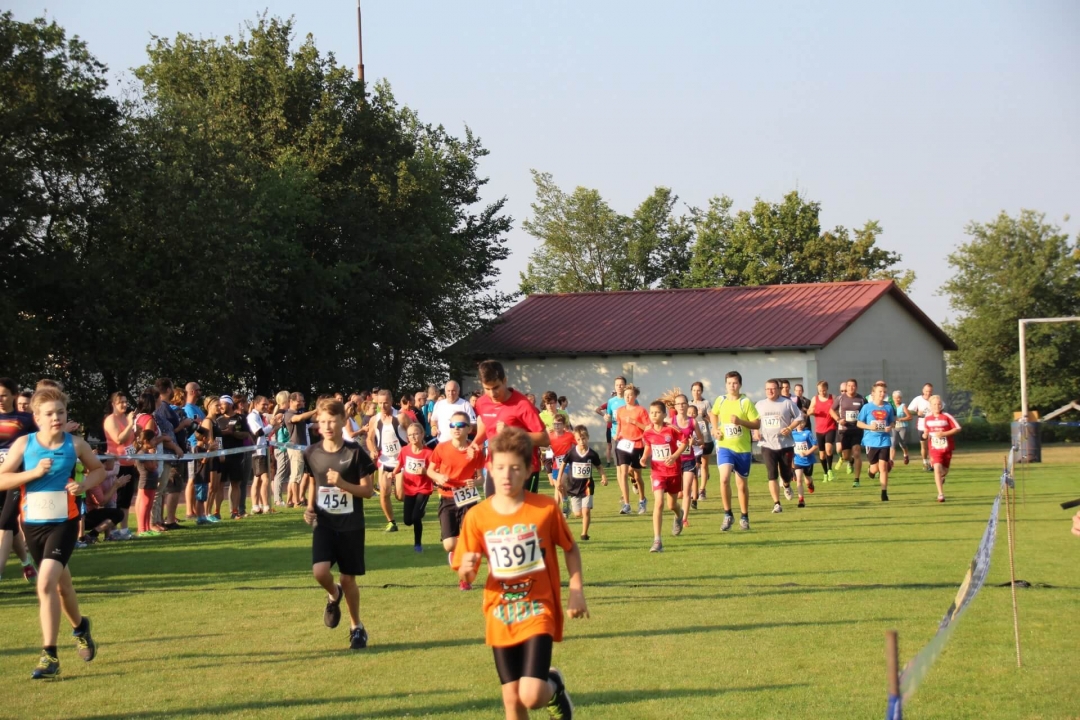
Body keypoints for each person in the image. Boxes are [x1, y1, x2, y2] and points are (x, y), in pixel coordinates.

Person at [453, 427, 584, 720]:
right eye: (500, 467)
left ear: (527, 471)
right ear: (489, 468)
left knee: (531, 694)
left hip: (538, 609)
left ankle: (553, 686)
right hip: (500, 614)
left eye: (515, 468)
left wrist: (576, 590)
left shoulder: (544, 509)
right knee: (512, 700)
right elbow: (466, 573)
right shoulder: (477, 516)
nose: (506, 475)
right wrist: (467, 569)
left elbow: (570, 548)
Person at [0, 386, 104, 679]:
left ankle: (49, 656)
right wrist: (33, 473)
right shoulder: (24, 444)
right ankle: (81, 627)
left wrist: (83, 485)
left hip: (64, 522)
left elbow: (98, 470)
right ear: (37, 417)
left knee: (45, 583)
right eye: (49, 414)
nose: (57, 418)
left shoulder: (76, 444)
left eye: (61, 412)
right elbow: (2, 479)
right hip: (33, 525)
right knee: (62, 586)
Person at [302, 398, 376, 651]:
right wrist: (309, 507)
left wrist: (343, 483)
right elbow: (313, 481)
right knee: (320, 572)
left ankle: (356, 627)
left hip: (351, 525)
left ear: (343, 421)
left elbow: (368, 491)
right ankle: (334, 594)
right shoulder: (311, 452)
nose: (327, 426)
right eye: (322, 421)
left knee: (348, 579)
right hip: (325, 523)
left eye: (332, 421)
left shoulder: (354, 453)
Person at [470, 361, 549, 495]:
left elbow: (545, 439)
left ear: (505, 381)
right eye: (487, 389)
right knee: (492, 507)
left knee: (520, 509)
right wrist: (475, 442)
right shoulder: (481, 402)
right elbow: (486, 424)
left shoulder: (522, 404)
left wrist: (512, 433)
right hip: (495, 466)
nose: (492, 393)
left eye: (496, 387)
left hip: (522, 468)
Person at [427, 411, 486, 589]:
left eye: (460, 425)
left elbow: (481, 477)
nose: (456, 428)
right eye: (453, 425)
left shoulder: (475, 450)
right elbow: (430, 470)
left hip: (468, 499)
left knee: (469, 539)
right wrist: (438, 477)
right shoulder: (442, 448)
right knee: (449, 544)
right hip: (447, 498)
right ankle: (458, 552)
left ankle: (464, 580)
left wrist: (475, 482)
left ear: (469, 429)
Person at [710, 371, 760, 531]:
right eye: (729, 383)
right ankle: (727, 514)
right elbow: (713, 414)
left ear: (740, 385)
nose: (732, 386)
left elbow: (757, 423)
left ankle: (744, 516)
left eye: (735, 383)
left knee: (741, 485)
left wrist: (741, 422)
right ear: (726, 385)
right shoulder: (720, 400)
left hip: (743, 449)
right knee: (724, 479)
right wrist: (715, 429)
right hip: (725, 446)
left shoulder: (745, 402)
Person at [0, 377, 39, 581]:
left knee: (5, 522)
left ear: (14, 395)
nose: (0, 399)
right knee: (10, 526)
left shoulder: (26, 419)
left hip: (17, 478)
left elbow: (40, 443)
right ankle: (26, 563)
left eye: (4, 395)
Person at [641, 401, 688, 553]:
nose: (653, 415)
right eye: (651, 412)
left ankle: (679, 514)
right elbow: (648, 445)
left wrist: (674, 456)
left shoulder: (671, 429)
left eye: (657, 412)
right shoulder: (648, 431)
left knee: (671, 505)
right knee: (659, 502)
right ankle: (657, 540)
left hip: (673, 471)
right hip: (657, 472)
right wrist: (644, 457)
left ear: (663, 414)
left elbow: (685, 442)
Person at [756, 379, 803, 514]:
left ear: (778, 389)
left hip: (785, 444)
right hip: (767, 444)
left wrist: (789, 428)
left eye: (773, 388)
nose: (770, 391)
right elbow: (755, 420)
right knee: (772, 474)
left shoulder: (787, 403)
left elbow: (799, 417)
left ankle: (787, 485)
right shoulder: (760, 405)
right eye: (767, 389)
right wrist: (756, 431)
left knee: (785, 474)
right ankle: (777, 504)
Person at [366, 389, 410, 533]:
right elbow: (369, 439)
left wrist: (413, 450)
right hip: (384, 460)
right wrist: (372, 450)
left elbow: (415, 432)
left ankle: (415, 502)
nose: (383, 406)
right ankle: (391, 522)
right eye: (380, 403)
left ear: (391, 401)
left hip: (401, 461)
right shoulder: (374, 419)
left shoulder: (401, 417)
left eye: (385, 403)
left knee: (400, 496)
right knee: (384, 492)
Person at [393, 423, 434, 552]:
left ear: (422, 434)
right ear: (407, 437)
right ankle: (420, 511)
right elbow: (400, 465)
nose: (413, 437)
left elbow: (435, 471)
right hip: (409, 488)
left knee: (416, 518)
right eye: (410, 435)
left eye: (416, 433)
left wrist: (425, 471)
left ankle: (417, 544)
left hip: (424, 488)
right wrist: (392, 474)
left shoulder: (429, 453)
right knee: (407, 521)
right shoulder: (405, 450)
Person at [101, 392, 137, 540]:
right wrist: (130, 424)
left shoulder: (126, 418)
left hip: (129, 463)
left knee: (127, 499)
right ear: (113, 404)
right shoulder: (111, 420)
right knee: (117, 499)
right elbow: (119, 439)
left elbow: (130, 441)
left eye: (125, 401)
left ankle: (124, 530)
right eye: (121, 402)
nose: (124, 404)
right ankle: (113, 531)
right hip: (116, 465)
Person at [561, 425, 606, 540]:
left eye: (584, 439)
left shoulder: (592, 454)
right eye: (579, 439)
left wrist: (603, 477)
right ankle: (571, 508)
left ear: (588, 438)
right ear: (575, 440)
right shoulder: (571, 452)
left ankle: (584, 534)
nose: (581, 442)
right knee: (578, 514)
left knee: (586, 511)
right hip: (574, 487)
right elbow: (563, 464)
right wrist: (559, 480)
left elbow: (599, 467)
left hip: (587, 487)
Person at [857, 381, 896, 502]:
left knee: (883, 466)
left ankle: (884, 493)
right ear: (873, 393)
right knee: (875, 468)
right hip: (871, 441)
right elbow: (859, 423)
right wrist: (870, 427)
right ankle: (870, 470)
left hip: (884, 440)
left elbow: (892, 421)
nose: (882, 394)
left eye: (884, 392)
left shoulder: (888, 407)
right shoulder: (867, 407)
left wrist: (890, 426)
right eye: (880, 391)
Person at [613, 384, 649, 515]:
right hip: (623, 444)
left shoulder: (641, 410)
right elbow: (619, 424)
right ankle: (626, 504)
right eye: (626, 395)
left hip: (637, 445)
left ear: (635, 396)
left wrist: (635, 422)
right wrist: (617, 434)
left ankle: (642, 500)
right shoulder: (620, 410)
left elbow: (647, 428)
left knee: (637, 475)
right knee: (623, 472)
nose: (627, 397)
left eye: (630, 395)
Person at [215, 396, 252, 520]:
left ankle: (235, 511)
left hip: (237, 456)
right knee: (219, 484)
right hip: (222, 457)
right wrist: (220, 452)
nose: (220, 406)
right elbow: (216, 437)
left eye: (223, 404)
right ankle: (216, 512)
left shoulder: (240, 418)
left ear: (230, 405)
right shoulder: (218, 419)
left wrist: (234, 433)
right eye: (219, 404)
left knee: (235, 483)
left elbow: (246, 434)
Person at [923, 395, 961, 503]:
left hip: (946, 448)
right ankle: (940, 494)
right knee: (937, 468)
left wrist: (944, 433)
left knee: (944, 470)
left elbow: (958, 428)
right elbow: (926, 431)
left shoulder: (946, 416)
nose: (937, 406)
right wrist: (925, 435)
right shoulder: (927, 418)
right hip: (934, 448)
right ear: (930, 406)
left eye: (939, 404)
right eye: (934, 404)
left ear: (942, 405)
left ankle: (942, 476)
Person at [672, 395, 702, 526]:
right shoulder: (670, 421)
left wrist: (695, 442)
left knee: (687, 488)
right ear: (675, 406)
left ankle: (684, 519)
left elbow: (702, 440)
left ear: (687, 405)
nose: (681, 406)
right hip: (675, 460)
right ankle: (678, 513)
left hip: (689, 459)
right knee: (674, 493)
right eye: (678, 404)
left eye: (683, 403)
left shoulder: (693, 422)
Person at [284, 393, 317, 507]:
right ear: (291, 401)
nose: (302, 403)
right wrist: (315, 410)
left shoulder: (301, 413)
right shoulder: (288, 414)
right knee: (296, 475)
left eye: (303, 401)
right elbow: (298, 419)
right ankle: (296, 501)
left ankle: (290, 501)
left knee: (296, 475)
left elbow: (315, 420)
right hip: (295, 448)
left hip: (302, 447)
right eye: (299, 401)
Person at [246, 396, 278, 514]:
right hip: (258, 452)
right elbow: (258, 432)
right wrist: (271, 425)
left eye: (267, 404)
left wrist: (274, 426)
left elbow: (265, 433)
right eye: (263, 404)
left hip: (263, 450)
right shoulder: (253, 416)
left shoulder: (259, 416)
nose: (266, 406)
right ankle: (265, 506)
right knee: (265, 479)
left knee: (258, 479)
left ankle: (256, 506)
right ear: (256, 404)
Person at [832, 380, 865, 487]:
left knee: (857, 452)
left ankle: (857, 480)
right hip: (845, 430)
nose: (851, 388)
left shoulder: (861, 399)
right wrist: (838, 419)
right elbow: (831, 410)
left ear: (856, 387)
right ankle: (850, 461)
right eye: (849, 386)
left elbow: (867, 411)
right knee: (845, 456)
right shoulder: (840, 398)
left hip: (857, 429)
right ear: (846, 387)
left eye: (853, 386)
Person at [180, 382, 206, 520]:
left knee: (197, 478)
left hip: (200, 445)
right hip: (192, 445)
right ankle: (189, 510)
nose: (201, 392)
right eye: (199, 390)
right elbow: (194, 426)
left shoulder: (197, 408)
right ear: (193, 391)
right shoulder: (187, 408)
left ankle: (196, 509)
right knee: (192, 478)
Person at [594, 376, 627, 468]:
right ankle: (610, 463)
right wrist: (606, 417)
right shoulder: (611, 402)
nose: (619, 387)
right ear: (614, 386)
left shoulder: (630, 399)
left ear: (625, 386)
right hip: (615, 435)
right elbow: (608, 416)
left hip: (628, 435)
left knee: (629, 466)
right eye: (617, 385)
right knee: (618, 465)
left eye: (621, 384)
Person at [808, 381, 838, 482]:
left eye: (824, 390)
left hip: (830, 427)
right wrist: (812, 412)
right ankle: (825, 473)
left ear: (827, 389)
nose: (822, 392)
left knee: (828, 449)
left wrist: (836, 416)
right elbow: (809, 411)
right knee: (822, 454)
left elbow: (838, 410)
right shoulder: (815, 399)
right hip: (819, 429)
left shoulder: (833, 397)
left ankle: (830, 470)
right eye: (820, 391)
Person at [200, 396, 224, 521]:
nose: (220, 407)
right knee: (211, 487)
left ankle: (210, 512)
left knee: (215, 487)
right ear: (209, 406)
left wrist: (221, 452)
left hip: (217, 455)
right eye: (217, 405)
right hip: (210, 456)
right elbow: (209, 441)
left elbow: (218, 440)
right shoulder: (208, 421)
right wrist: (215, 452)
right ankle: (206, 513)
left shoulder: (216, 421)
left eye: (220, 405)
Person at [689, 381, 713, 499]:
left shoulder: (706, 403)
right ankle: (693, 490)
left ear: (702, 391)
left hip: (706, 438)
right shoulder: (688, 404)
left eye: (698, 390)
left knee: (704, 465)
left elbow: (712, 420)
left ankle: (702, 490)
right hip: (693, 440)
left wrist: (703, 415)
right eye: (694, 390)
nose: (696, 393)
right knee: (694, 466)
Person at [907, 383, 936, 472]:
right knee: (924, 446)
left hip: (933, 426)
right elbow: (909, 410)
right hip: (922, 426)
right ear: (923, 391)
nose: (928, 393)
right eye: (926, 391)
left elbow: (942, 408)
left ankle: (933, 463)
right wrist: (917, 413)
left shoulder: (934, 399)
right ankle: (925, 462)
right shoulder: (918, 399)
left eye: (930, 391)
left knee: (933, 445)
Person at [791, 417, 817, 508]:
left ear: (805, 423)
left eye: (802, 423)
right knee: (799, 480)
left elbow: (815, 445)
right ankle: (801, 499)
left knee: (807, 478)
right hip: (797, 460)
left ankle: (810, 484)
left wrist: (807, 452)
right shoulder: (792, 434)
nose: (800, 425)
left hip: (808, 460)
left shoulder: (808, 433)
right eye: (798, 423)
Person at [271, 390, 291, 506]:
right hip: (282, 447)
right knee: (280, 473)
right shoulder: (280, 413)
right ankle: (277, 499)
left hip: (285, 446)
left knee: (284, 473)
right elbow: (273, 426)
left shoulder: (284, 412)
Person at [889, 390, 913, 466]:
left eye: (898, 398)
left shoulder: (903, 406)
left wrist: (901, 419)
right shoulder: (890, 406)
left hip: (902, 427)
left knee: (902, 444)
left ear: (901, 398)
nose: (897, 399)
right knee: (892, 443)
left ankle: (905, 454)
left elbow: (910, 417)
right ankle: (891, 461)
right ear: (893, 398)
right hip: (894, 427)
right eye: (895, 398)